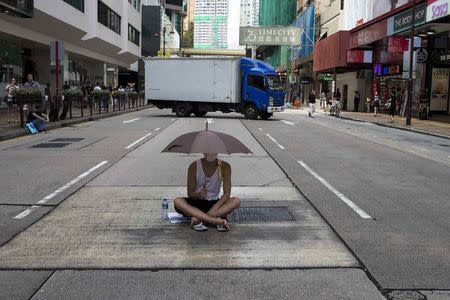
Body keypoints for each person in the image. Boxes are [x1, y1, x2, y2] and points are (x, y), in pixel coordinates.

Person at [173, 154, 241, 232]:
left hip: (214, 205)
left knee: (236, 201)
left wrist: (216, 207)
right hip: (196, 204)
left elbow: (226, 194)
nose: (211, 153)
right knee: (177, 201)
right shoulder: (194, 166)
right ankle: (213, 221)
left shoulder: (225, 166)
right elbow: (190, 194)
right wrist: (199, 194)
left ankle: (200, 220)